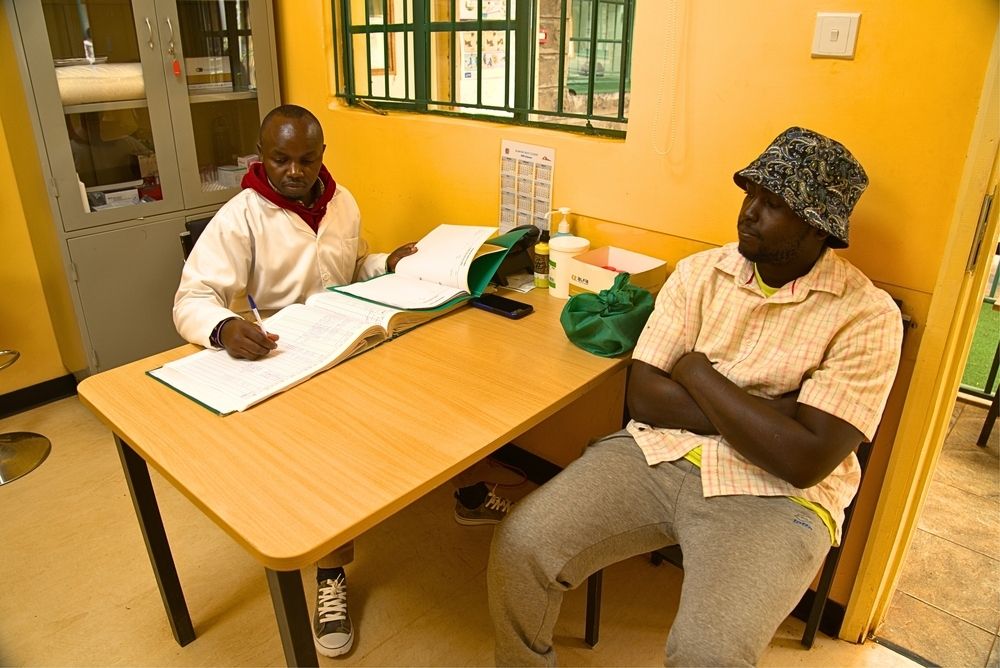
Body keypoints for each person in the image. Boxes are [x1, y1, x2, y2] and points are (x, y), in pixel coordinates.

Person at [487, 127, 903, 667]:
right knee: (521, 546)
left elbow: (803, 460)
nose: (749, 212)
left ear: (818, 227)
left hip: (775, 498)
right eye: (750, 192)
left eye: (773, 203)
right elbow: (646, 397)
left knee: (710, 653)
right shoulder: (700, 273)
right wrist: (777, 415)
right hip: (654, 453)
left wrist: (696, 371)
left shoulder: (867, 315)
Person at [173, 103, 513, 658]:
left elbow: (349, 269)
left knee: (445, 384)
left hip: (350, 336)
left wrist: (387, 262)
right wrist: (224, 325)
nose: (294, 171)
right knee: (327, 456)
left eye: (306, 160)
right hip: (283, 351)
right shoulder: (242, 216)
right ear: (262, 157)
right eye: (281, 159)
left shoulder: (342, 202)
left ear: (321, 157)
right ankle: (330, 573)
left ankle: (468, 491)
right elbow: (191, 297)